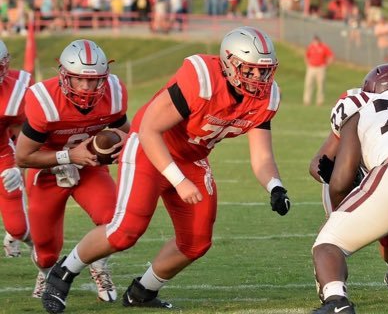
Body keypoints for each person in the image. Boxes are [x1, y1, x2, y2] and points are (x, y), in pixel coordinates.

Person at [40, 26, 291, 314]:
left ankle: (142, 292)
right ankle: (63, 272)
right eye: (250, 70)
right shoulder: (202, 79)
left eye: (264, 70)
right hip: (150, 147)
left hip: (192, 157)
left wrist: (275, 186)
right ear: (228, 63)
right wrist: (179, 180)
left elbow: (261, 156)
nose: (258, 78)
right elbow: (149, 129)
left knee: (196, 242)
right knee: (126, 231)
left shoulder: (266, 98)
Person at [15, 39, 130, 301]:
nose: (87, 87)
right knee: (46, 251)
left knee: (114, 221)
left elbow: (124, 133)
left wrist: (116, 148)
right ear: (64, 75)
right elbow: (23, 157)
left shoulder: (113, 92)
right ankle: (46, 273)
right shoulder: (43, 99)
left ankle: (98, 264)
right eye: (79, 79)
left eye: (94, 80)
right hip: (48, 171)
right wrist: (68, 155)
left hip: (89, 167)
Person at [310, 63, 388, 313]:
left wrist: (337, 214)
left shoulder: (360, 105)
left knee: (328, 244)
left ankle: (336, 302)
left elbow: (339, 179)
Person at [0, 40, 32, 258]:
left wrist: (18, 166)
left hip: (2, 154)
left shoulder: (16, 91)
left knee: (18, 228)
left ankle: (35, 243)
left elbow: (29, 134)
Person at [303, 35, 334, 106]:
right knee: (308, 84)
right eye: (314, 40)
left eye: (316, 40)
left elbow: (330, 56)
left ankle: (320, 101)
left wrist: (326, 65)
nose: (315, 42)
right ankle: (307, 100)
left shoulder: (324, 47)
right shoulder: (311, 47)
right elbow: (306, 56)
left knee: (320, 85)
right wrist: (308, 63)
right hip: (311, 68)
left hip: (321, 68)